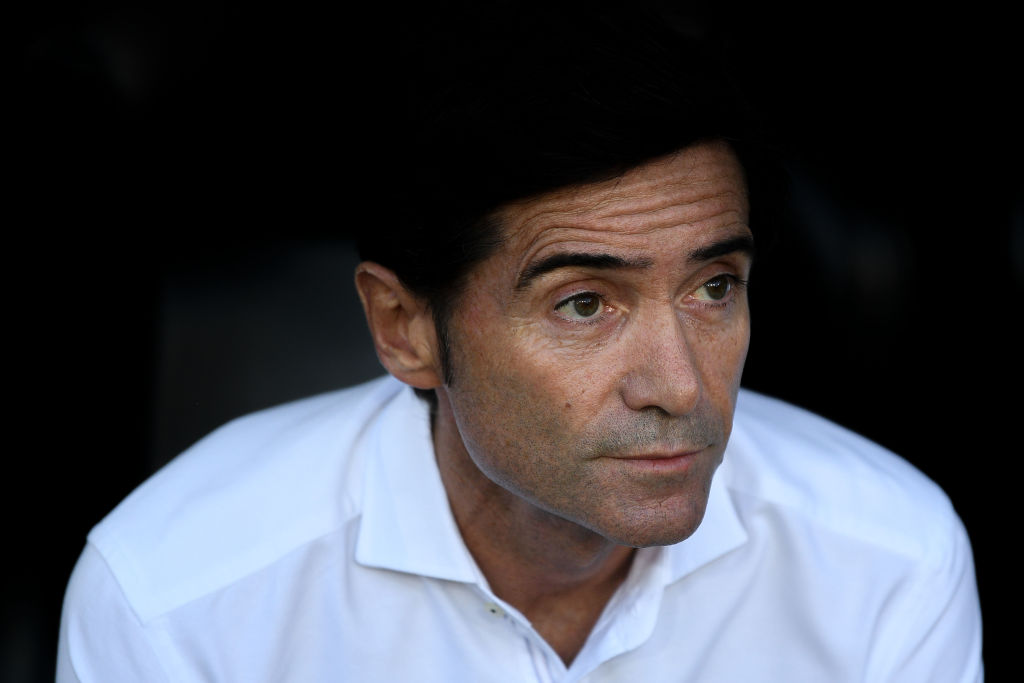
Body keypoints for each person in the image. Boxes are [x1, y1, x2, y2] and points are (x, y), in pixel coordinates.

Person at [57, 4, 982, 681]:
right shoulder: (177, 596)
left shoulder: (888, 561)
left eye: (713, 287)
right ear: (404, 328)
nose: (681, 385)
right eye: (585, 303)